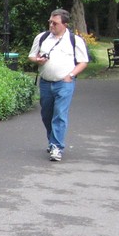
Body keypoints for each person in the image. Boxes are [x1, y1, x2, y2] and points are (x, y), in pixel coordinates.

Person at [27, 8, 90, 161]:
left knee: (60, 114)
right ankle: (52, 140)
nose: (51, 25)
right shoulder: (42, 38)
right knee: (46, 114)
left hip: (64, 82)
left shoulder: (75, 40)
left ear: (65, 24)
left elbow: (83, 62)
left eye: (54, 23)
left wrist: (71, 75)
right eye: (50, 22)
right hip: (45, 83)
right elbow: (31, 56)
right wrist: (38, 60)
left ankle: (56, 146)